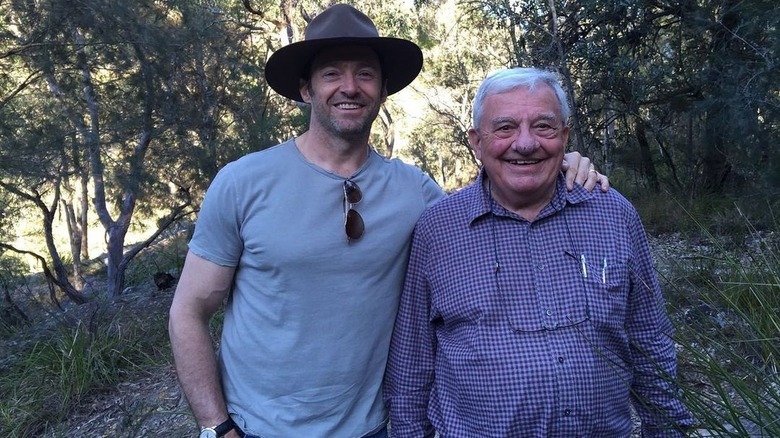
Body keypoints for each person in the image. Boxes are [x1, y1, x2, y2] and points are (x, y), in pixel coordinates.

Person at [168, 5, 607, 438]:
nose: (350, 86)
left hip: (372, 427)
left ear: (381, 90)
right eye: (331, 73)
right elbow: (189, 310)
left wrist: (555, 164)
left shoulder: (413, 191)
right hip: (256, 428)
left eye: (365, 73)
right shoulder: (243, 182)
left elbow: (490, 211)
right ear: (306, 89)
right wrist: (216, 426)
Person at [384, 67, 693, 437]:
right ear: (476, 142)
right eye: (505, 128)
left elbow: (650, 340)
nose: (526, 143)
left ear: (564, 137)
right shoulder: (438, 229)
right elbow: (411, 364)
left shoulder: (613, 214)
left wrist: (668, 430)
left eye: (544, 126)